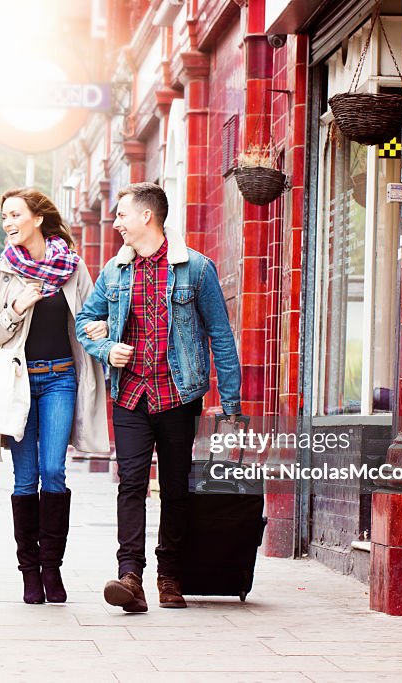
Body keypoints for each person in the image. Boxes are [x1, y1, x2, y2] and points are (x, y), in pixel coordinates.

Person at [75, 182, 242, 612]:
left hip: (178, 394)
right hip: (129, 393)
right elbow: (84, 321)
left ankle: (170, 575)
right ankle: (130, 576)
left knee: (174, 488)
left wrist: (232, 405)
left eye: (122, 215)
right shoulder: (115, 271)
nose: (116, 224)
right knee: (130, 484)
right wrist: (106, 348)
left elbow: (222, 338)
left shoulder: (197, 270)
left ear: (147, 216)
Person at [0, 188, 109, 604]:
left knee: (54, 471)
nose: (8, 222)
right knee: (25, 478)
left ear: (38, 219)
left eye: (15, 214)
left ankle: (52, 568)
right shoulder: (0, 273)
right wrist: (16, 309)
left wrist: (99, 330)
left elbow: (88, 318)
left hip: (62, 378)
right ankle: (29, 572)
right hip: (19, 384)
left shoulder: (73, 267)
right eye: (4, 216)